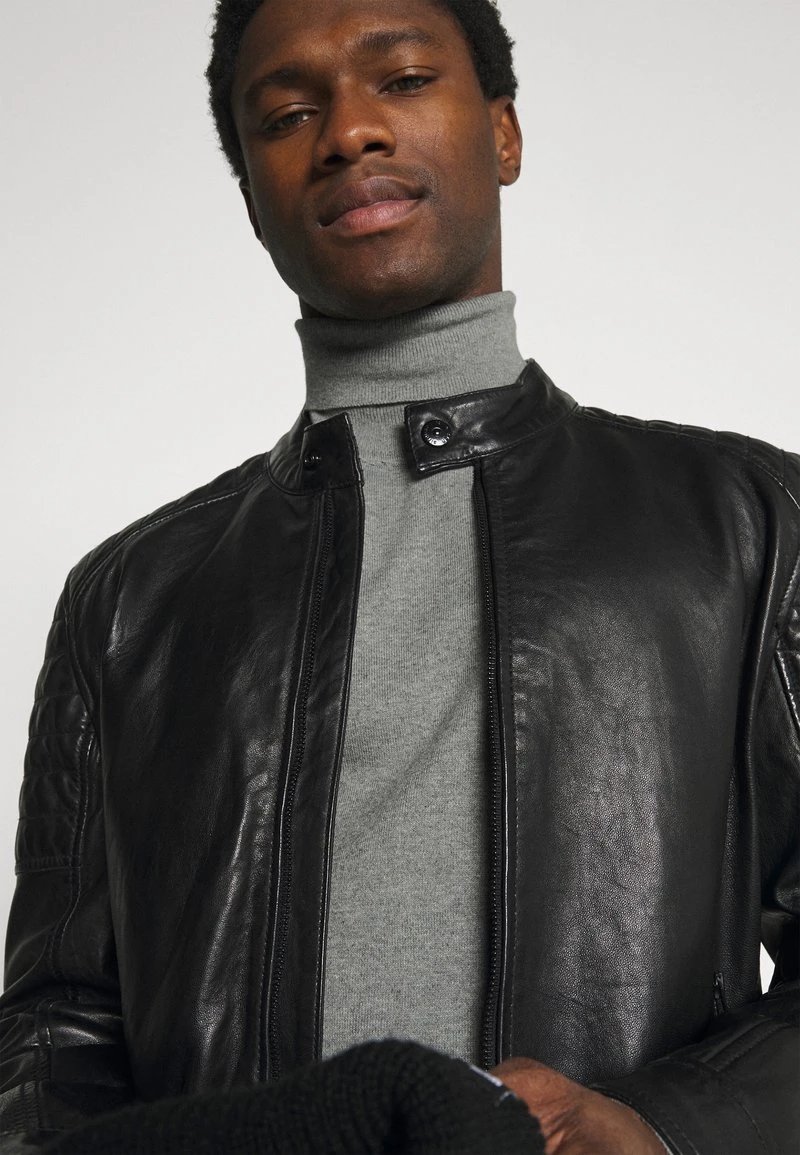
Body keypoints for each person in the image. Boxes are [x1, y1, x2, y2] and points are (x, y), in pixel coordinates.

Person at [1, 0, 797, 1152]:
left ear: (503, 132)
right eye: (287, 114)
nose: (348, 132)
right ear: (250, 191)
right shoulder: (129, 602)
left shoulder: (745, 523)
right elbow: (56, 1027)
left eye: (404, 79)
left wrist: (662, 1124)